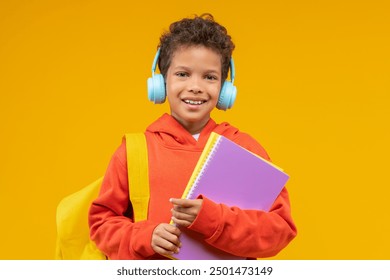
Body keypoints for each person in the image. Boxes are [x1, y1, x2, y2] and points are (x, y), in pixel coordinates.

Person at [88, 13, 297, 260]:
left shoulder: (245, 148)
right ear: (161, 81)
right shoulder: (135, 150)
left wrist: (212, 219)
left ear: (224, 88)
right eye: (183, 74)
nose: (195, 86)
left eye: (209, 77)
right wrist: (145, 236)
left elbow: (279, 230)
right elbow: (101, 224)